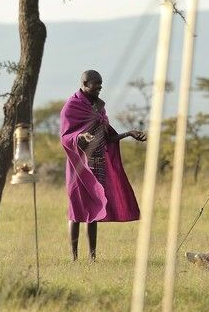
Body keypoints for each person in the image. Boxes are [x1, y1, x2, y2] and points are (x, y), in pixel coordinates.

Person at [60, 70, 146, 261]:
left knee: (94, 210)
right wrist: (80, 136)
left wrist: (128, 134)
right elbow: (65, 137)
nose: (100, 86)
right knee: (76, 210)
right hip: (78, 166)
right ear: (84, 83)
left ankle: (92, 257)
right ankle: (74, 258)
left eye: (100, 83)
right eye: (96, 83)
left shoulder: (99, 108)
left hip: (97, 163)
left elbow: (108, 138)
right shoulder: (71, 106)